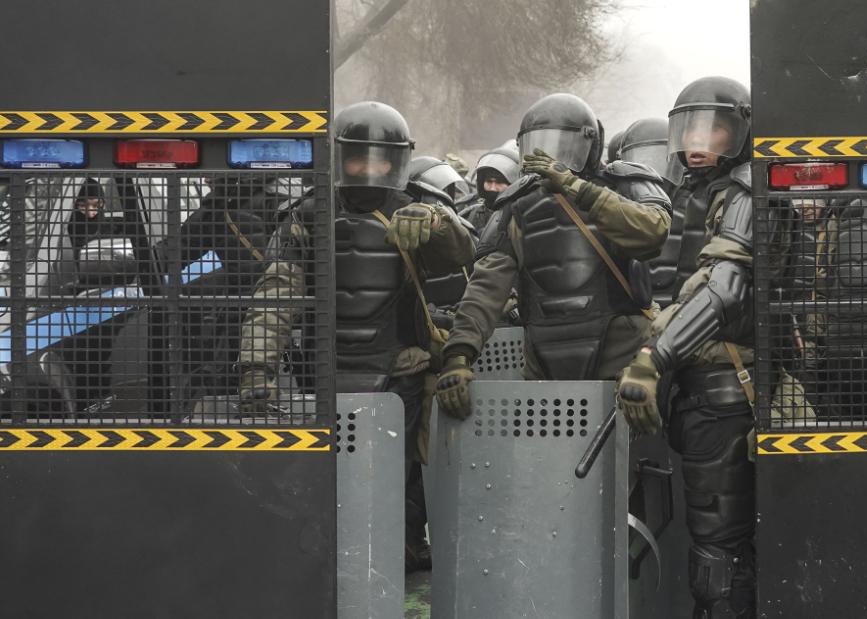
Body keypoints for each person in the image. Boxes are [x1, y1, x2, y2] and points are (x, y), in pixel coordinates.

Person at [235, 101, 475, 572]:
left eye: (381, 159)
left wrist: (437, 222)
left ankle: (395, 557)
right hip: (326, 376)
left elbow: (465, 253)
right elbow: (275, 297)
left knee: (396, 479)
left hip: (399, 372)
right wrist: (256, 368)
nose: (369, 169)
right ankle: (329, 568)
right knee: (328, 481)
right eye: (358, 158)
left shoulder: (418, 210)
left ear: (398, 161)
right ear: (338, 157)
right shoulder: (305, 216)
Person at [615, 76, 764, 619]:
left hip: (725, 388)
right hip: (694, 387)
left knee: (718, 550)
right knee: (709, 540)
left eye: (716, 129)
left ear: (742, 132)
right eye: (691, 128)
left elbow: (722, 291)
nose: (699, 141)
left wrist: (654, 357)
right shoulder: (689, 193)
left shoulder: (747, 192)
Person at [434, 93, 671, 419]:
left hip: (622, 361)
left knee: (632, 462)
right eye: (539, 145)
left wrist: (578, 188)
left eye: (564, 145)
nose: (552, 156)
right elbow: (486, 286)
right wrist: (458, 355)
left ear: (591, 143)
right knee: (546, 464)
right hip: (544, 366)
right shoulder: (515, 206)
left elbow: (652, 232)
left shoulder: (622, 183)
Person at [618, 117, 687, 307]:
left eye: (659, 157)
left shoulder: (695, 201)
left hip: (685, 306)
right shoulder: (619, 204)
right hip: (639, 311)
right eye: (641, 160)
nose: (653, 169)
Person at [456, 144, 522, 234]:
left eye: (499, 182)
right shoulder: (470, 215)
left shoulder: (523, 215)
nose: (492, 188)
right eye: (489, 181)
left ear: (513, 184)